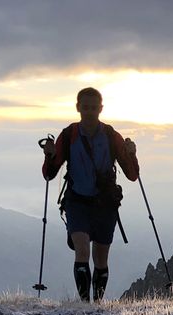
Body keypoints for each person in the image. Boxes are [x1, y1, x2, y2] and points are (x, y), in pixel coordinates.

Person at [42, 87, 139, 302]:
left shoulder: (111, 136)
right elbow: (50, 173)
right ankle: (86, 304)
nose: (89, 112)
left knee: (101, 258)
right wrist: (49, 156)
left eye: (93, 108)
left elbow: (132, 175)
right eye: (85, 107)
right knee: (83, 251)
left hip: (105, 204)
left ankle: (97, 303)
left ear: (100, 109)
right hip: (77, 202)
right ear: (78, 108)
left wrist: (131, 154)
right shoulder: (69, 135)